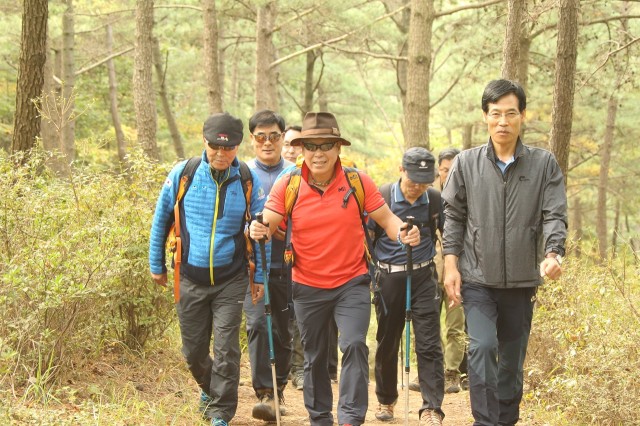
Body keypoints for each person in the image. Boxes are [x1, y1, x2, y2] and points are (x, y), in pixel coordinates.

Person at [249, 111, 421, 426]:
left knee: (354, 344)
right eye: (311, 146)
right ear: (302, 149)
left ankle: (351, 417)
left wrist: (405, 232)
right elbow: (267, 220)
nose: (319, 153)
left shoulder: (357, 181)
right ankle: (320, 417)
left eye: (326, 145)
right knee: (314, 356)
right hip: (306, 284)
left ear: (338, 148)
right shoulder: (289, 184)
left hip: (351, 282)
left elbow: (387, 220)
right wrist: (255, 229)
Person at [442, 79, 567, 426]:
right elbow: (452, 216)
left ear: (522, 116)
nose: (502, 121)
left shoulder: (543, 164)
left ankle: (506, 421)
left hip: (523, 281)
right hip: (478, 278)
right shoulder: (466, 164)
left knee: (512, 362)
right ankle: (485, 422)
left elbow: (555, 213)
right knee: (482, 348)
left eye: (510, 113)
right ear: (485, 117)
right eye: (495, 114)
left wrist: (554, 253)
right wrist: (451, 265)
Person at [149, 112, 268, 426]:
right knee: (193, 351)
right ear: (205, 142)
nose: (221, 153)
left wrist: (257, 276)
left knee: (228, 348)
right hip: (189, 275)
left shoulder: (244, 177)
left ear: (238, 147)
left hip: (231, 277)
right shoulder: (183, 173)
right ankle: (210, 389)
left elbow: (257, 227)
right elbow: (161, 219)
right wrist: (156, 264)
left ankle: (220, 413)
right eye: (215, 146)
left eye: (228, 148)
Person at [369, 147, 445, 425]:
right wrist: (369, 276)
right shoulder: (383, 196)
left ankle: (431, 407)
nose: (418, 187)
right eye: (413, 181)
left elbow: (448, 236)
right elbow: (367, 237)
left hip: (424, 277)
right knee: (388, 341)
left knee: (428, 342)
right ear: (401, 171)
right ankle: (386, 399)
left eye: (425, 182)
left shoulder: (435, 201)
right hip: (388, 278)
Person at [243, 110, 293, 421]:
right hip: (252, 266)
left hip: (288, 265)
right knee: (258, 325)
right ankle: (264, 391)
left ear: (282, 138)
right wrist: (250, 228)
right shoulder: (243, 173)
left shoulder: (296, 173)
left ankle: (280, 388)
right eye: (261, 137)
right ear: (252, 140)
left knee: (283, 329)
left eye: (274, 136)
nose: (267, 142)